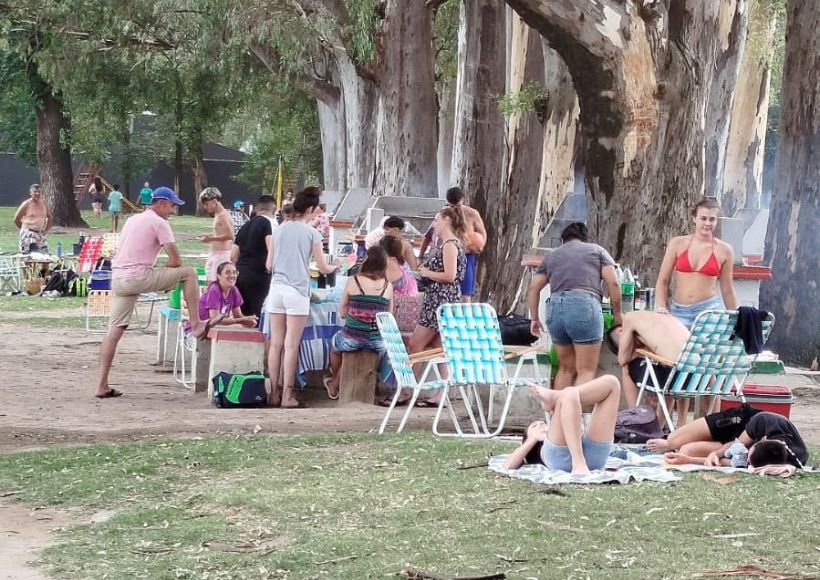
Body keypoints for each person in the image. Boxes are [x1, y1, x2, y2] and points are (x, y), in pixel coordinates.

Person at [94, 187, 215, 399]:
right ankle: (196, 324)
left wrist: (165, 279)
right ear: (160, 203)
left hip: (119, 278)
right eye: (172, 206)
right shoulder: (160, 223)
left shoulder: (133, 219)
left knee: (113, 331)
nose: (173, 210)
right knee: (190, 273)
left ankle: (101, 385)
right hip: (137, 276)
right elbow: (176, 260)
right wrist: (167, 279)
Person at [265, 187, 338, 408]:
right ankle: (287, 395)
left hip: (276, 289)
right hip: (297, 291)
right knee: (291, 345)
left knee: (275, 344)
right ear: (311, 209)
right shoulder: (312, 233)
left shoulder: (278, 230)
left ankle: (273, 393)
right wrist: (336, 265)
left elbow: (269, 264)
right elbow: (323, 267)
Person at [527, 222, 622, 390]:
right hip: (584, 307)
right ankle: (575, 407)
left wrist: (534, 318)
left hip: (555, 309)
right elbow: (614, 283)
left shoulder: (552, 256)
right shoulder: (597, 251)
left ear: (563, 240)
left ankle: (558, 407)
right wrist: (618, 315)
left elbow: (534, 288)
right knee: (586, 371)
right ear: (584, 239)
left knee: (565, 368)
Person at [394, 206, 466, 407]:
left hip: (440, 301)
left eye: (437, 220)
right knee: (438, 347)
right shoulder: (451, 244)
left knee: (416, 343)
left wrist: (427, 273)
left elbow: (450, 276)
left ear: (446, 220)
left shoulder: (450, 245)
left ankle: (407, 389)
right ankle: (441, 392)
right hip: (440, 299)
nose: (434, 224)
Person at [502, 376, 621, 475]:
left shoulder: (560, 428)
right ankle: (578, 462)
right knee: (568, 393)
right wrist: (532, 439)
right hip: (559, 458)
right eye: (534, 426)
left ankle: (556, 396)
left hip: (592, 456)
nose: (540, 425)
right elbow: (508, 465)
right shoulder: (533, 451)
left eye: (542, 423)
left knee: (612, 383)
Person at [323, 246, 394, 400]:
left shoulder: (353, 280)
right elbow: (388, 315)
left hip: (351, 339)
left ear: (366, 260)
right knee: (355, 346)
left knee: (335, 345)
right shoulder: (388, 285)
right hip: (377, 342)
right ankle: (337, 383)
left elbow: (342, 312)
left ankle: (335, 383)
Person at [655, 198, 738, 329]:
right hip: (679, 311)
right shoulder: (677, 244)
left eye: (712, 219)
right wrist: (662, 307)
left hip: (709, 311)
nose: (707, 223)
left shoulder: (725, 250)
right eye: (703, 218)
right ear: (695, 218)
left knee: (707, 343)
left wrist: (736, 319)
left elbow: (727, 289)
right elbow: (662, 281)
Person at [663, 411, 808, 470]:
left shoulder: (786, 462)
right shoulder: (763, 421)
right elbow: (737, 444)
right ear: (762, 440)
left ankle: (688, 450)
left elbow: (735, 462)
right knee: (673, 440)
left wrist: (688, 460)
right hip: (741, 423)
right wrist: (715, 454)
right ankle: (664, 442)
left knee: (687, 450)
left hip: (748, 444)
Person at [611, 310, 690, 410]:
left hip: (678, 380)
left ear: (622, 330)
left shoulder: (629, 318)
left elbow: (622, 360)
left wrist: (635, 353)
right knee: (666, 367)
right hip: (699, 378)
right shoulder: (656, 318)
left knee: (626, 367)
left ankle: (634, 413)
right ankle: (661, 420)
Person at [418, 187, 486, 302]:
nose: (455, 209)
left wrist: (480, 245)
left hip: (465, 256)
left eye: (457, 206)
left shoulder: (471, 214)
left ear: (462, 200)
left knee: (465, 294)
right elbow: (429, 236)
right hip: (445, 256)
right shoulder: (443, 216)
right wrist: (421, 256)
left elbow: (482, 233)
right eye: (452, 206)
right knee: (441, 287)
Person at [231, 195, 275, 318]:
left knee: (247, 319)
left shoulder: (245, 226)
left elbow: (233, 256)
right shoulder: (268, 223)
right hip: (259, 275)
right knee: (261, 317)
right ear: (273, 210)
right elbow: (271, 247)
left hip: (241, 274)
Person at [193, 261, 258, 331]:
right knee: (238, 328)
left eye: (234, 272)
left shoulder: (234, 290)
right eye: (228, 272)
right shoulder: (214, 289)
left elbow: (238, 315)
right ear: (219, 276)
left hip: (213, 328)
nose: (232, 275)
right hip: (200, 329)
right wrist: (241, 320)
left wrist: (248, 321)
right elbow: (215, 319)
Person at [380, 234, 419, 333]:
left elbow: (382, 285)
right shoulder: (402, 263)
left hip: (401, 313)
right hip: (412, 311)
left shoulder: (390, 262)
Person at [198, 187, 235, 284]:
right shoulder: (219, 214)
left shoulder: (222, 215)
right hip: (217, 254)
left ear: (214, 201)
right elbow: (222, 233)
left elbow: (230, 235)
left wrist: (210, 239)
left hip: (221, 256)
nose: (205, 207)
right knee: (211, 284)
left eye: (206, 204)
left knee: (214, 285)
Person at [13, 184, 52, 253]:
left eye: (39, 192)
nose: (37, 194)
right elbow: (16, 219)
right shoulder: (26, 204)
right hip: (28, 233)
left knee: (44, 254)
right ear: (30, 193)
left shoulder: (44, 204)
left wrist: (46, 230)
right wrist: (24, 229)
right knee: (27, 255)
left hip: (39, 233)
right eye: (35, 192)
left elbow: (50, 217)